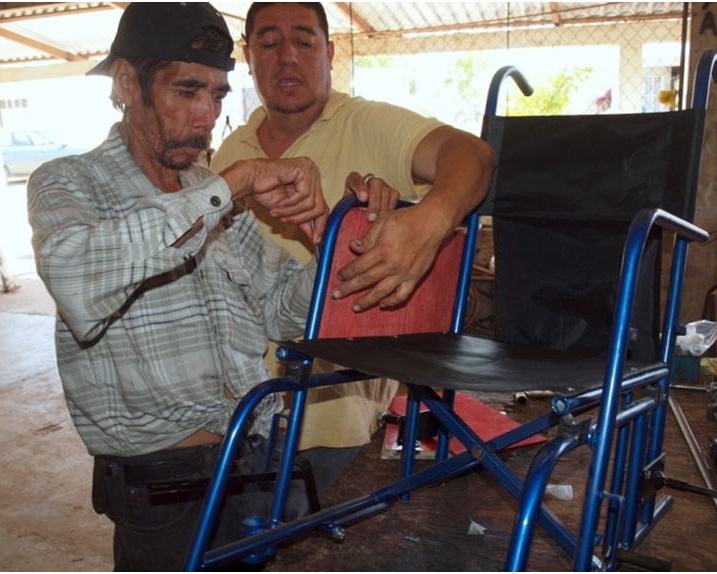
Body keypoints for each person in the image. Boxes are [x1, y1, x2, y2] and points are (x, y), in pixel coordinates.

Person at [25, 3, 390, 571]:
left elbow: (284, 311)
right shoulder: (71, 183)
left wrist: (334, 240)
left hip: (261, 462)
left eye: (218, 96)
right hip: (168, 494)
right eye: (187, 90)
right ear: (126, 83)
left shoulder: (212, 194)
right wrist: (231, 184)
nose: (205, 116)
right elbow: (76, 281)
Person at [211, 2, 496, 493]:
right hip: (241, 415)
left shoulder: (369, 123)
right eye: (269, 42)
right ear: (248, 54)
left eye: (304, 40)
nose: (287, 58)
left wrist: (427, 221)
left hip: (338, 421)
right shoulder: (231, 154)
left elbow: (472, 154)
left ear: (330, 52)